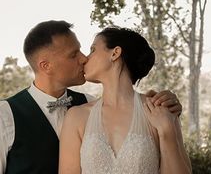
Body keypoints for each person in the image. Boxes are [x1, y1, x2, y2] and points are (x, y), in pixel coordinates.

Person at [0, 20, 182, 174]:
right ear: (45, 66)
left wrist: (168, 117)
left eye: (87, 50)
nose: (84, 58)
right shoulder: (4, 115)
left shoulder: (88, 103)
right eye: (74, 54)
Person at [59, 26, 191, 174]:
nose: (85, 59)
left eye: (93, 50)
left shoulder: (159, 110)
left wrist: (167, 132)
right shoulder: (77, 116)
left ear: (115, 53)